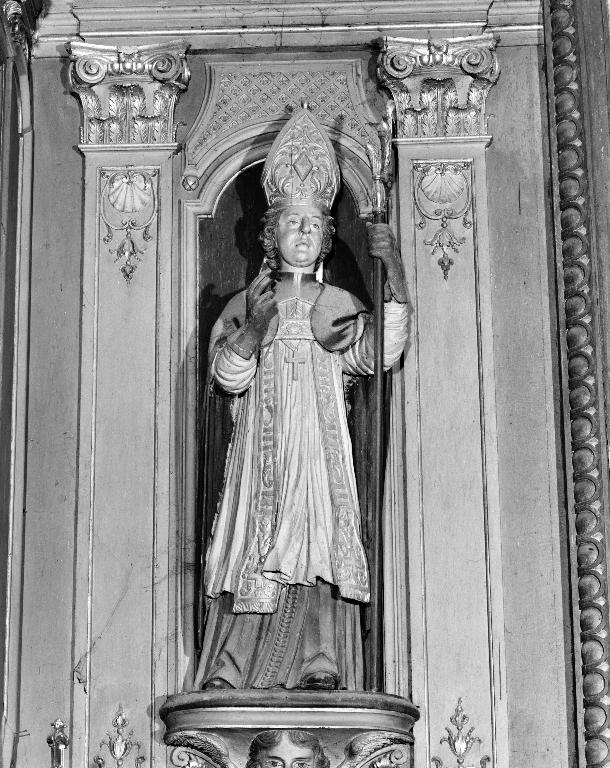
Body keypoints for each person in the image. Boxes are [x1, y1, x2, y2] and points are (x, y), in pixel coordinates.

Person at [194, 105, 408, 691]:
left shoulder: (337, 302)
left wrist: (394, 274)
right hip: (261, 450)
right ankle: (232, 669)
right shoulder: (248, 302)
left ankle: (321, 662)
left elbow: (375, 355)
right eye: (293, 223)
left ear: (327, 236)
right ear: (272, 232)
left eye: (314, 225)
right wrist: (253, 331)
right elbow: (228, 377)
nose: (304, 233)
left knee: (315, 543)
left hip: (316, 445)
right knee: (252, 544)